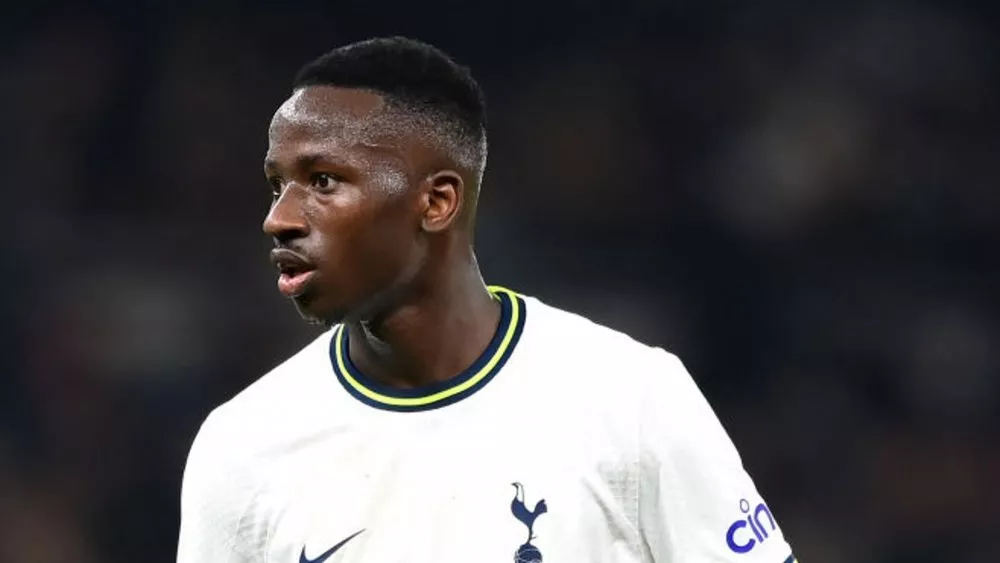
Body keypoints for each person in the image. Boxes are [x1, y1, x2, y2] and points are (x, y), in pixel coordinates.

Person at [176, 36, 797, 563]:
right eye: (277, 185)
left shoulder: (631, 398)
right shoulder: (243, 446)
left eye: (322, 181)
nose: (279, 218)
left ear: (437, 202)